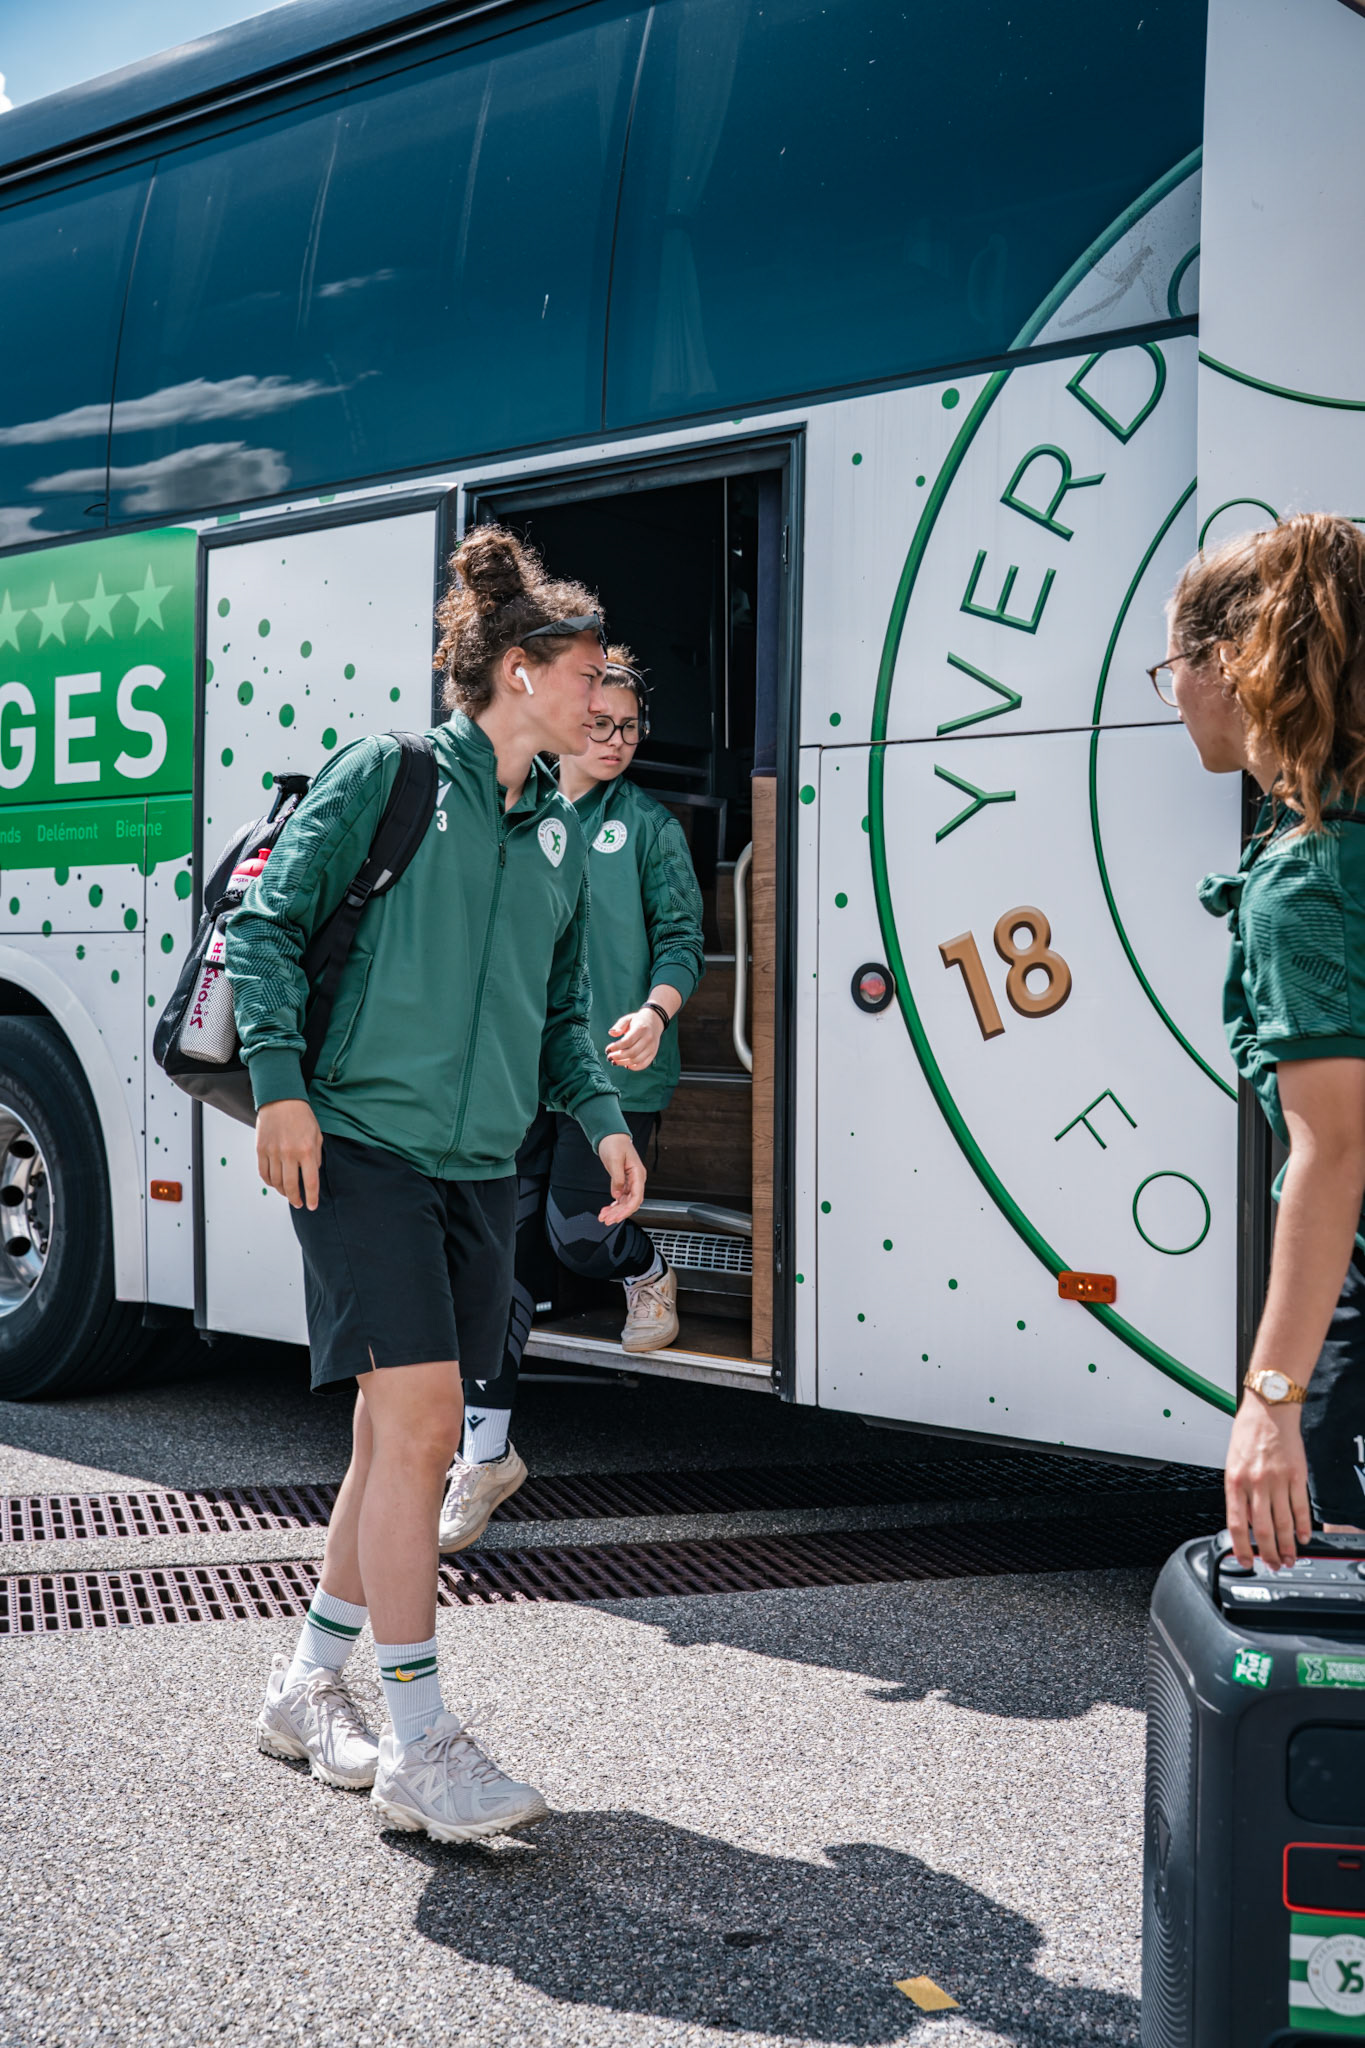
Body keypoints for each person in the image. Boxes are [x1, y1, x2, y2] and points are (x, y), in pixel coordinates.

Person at [226, 528, 646, 1840]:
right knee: (416, 1435)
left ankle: (306, 1686)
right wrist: (283, 1084)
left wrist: (603, 1118)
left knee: (384, 1441)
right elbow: (265, 926)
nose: (604, 696)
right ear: (519, 675)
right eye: (587, 673)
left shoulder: (557, 833)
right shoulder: (393, 774)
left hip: (475, 1166)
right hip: (360, 1144)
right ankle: (421, 1744)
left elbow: (562, 1008)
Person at [438, 645, 706, 1551]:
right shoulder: (515, 818)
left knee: (574, 1237)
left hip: (618, 1079)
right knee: (496, 1270)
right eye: (600, 724)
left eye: (630, 727)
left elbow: (680, 942)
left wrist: (656, 1012)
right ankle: (483, 1455)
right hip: (520, 1081)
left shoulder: (650, 827)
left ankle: (641, 1267)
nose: (616, 740)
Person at [1165, 511, 1365, 1570]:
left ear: (1233, 664)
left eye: (1174, 667)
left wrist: (1272, 1401)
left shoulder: (1311, 873)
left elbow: (1334, 1152)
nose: (1174, 700)